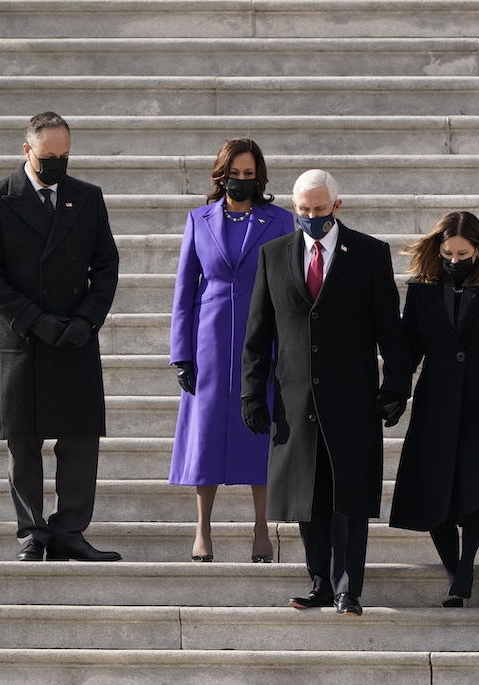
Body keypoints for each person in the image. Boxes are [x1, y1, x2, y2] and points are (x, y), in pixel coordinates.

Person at [241, 169, 411, 617]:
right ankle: (319, 582)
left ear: (337, 206)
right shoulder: (273, 255)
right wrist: (251, 393)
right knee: (306, 495)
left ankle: (348, 589)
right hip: (295, 400)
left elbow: (389, 330)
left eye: (319, 210)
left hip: (352, 397)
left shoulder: (371, 254)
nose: (311, 217)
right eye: (303, 210)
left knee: (348, 496)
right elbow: (258, 334)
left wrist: (396, 386)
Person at [0, 112, 121, 562]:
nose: (57, 164)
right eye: (48, 156)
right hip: (22, 340)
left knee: (79, 440)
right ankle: (32, 533)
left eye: (65, 156)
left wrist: (86, 319)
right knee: (24, 443)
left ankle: (70, 530)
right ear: (27, 151)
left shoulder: (87, 198)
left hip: (74, 336)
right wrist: (35, 320)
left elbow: (106, 266)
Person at [389, 211, 479, 607]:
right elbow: (409, 351)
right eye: (447, 253)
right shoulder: (420, 290)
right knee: (433, 488)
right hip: (436, 401)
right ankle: (455, 569)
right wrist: (394, 393)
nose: (453, 260)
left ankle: (466, 566)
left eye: (462, 252)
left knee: (478, 487)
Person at [169, 138, 295, 563]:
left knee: (259, 432)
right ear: (220, 174)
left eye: (249, 174)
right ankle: (202, 529)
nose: (242, 181)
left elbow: (288, 284)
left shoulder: (279, 220)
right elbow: (184, 291)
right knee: (206, 435)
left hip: (262, 339)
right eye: (234, 173)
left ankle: (262, 529)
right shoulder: (197, 219)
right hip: (210, 340)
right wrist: (180, 353)